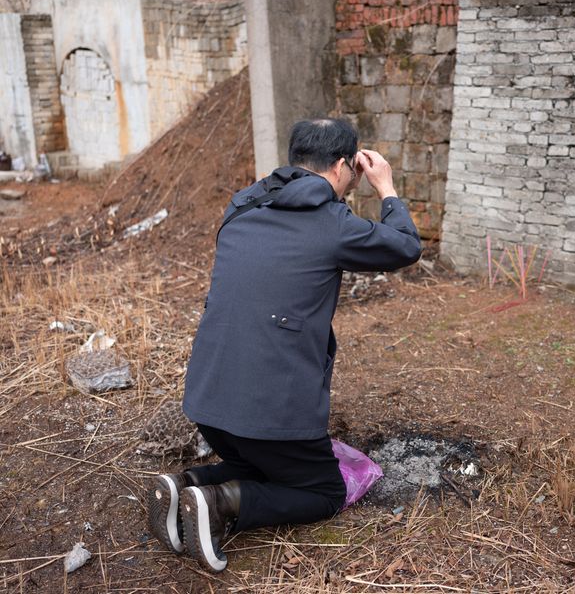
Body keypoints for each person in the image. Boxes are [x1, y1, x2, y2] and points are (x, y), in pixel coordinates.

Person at [147, 118, 421, 572]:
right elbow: (407, 246)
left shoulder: (242, 205)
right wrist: (386, 187)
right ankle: (218, 502)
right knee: (323, 491)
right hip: (268, 411)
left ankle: (186, 485)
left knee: (265, 465)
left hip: (206, 403)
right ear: (342, 165)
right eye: (352, 170)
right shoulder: (333, 224)